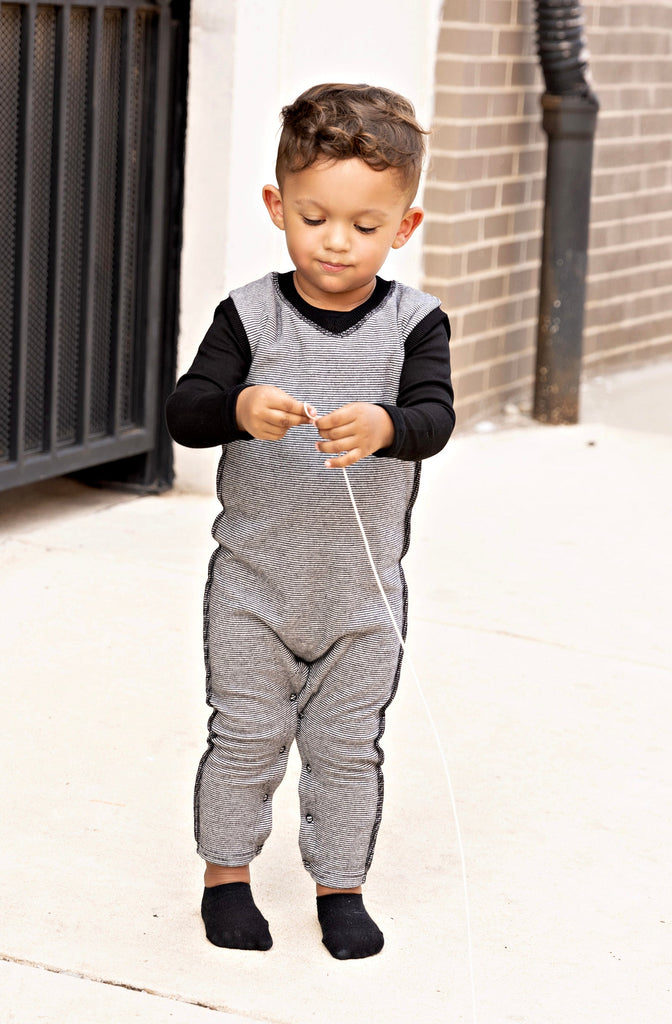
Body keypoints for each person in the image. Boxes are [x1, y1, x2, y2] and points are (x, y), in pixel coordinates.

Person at [165, 83, 454, 959]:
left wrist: (387, 427)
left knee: (346, 749)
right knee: (247, 738)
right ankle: (226, 877)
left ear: (402, 227)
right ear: (277, 206)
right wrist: (239, 406)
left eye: (366, 227)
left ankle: (341, 887)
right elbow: (188, 409)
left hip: (361, 597)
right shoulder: (248, 315)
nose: (337, 242)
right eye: (316, 217)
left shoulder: (416, 324)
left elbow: (435, 420)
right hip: (254, 585)